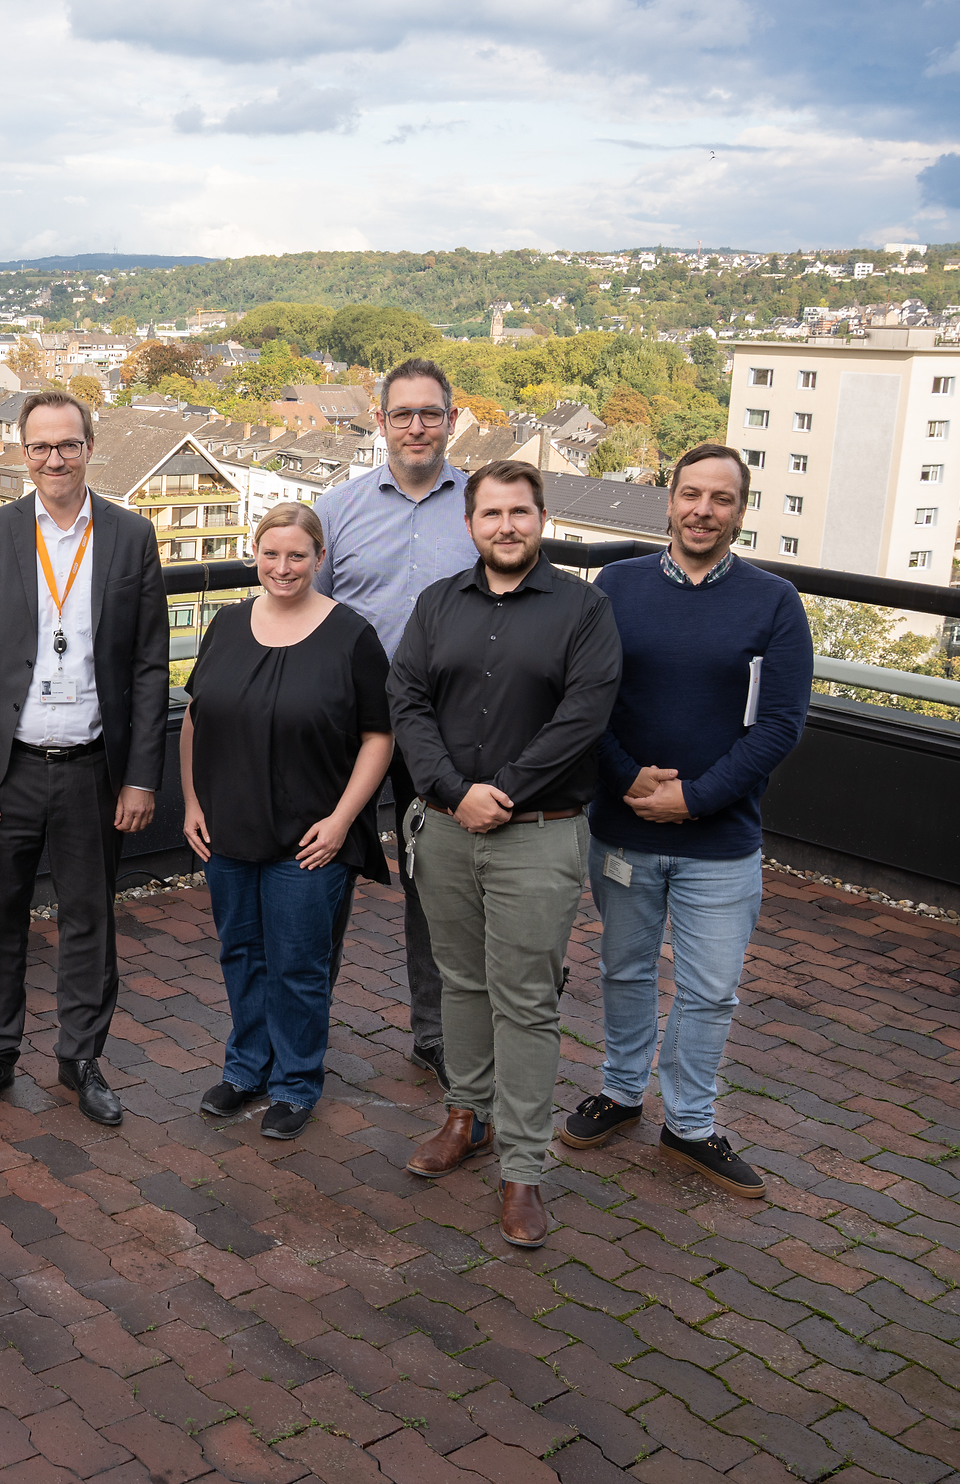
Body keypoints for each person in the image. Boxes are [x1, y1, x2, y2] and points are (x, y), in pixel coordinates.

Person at [559, 442, 811, 1199]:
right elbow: (585, 700)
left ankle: (691, 1123)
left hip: (721, 841)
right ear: (668, 500)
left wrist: (693, 798)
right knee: (624, 969)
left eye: (721, 498)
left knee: (710, 989)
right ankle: (622, 1090)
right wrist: (630, 776)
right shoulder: (615, 587)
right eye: (690, 494)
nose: (703, 509)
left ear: (740, 509)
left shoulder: (774, 603)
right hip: (624, 826)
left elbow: (779, 727)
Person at [389, 459, 620, 1251]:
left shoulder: (585, 609)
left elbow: (583, 716)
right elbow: (407, 701)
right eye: (491, 513)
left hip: (538, 831)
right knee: (460, 980)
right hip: (448, 828)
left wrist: (502, 792)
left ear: (542, 518)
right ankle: (467, 1115)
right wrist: (455, 792)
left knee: (525, 999)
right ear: (470, 523)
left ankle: (522, 1168)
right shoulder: (434, 604)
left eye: (520, 511)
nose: (506, 526)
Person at [0, 391, 165, 1126]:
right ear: (23, 452)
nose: (54, 459)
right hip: (9, 769)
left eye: (67, 444)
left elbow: (149, 667)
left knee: (89, 918)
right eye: (40, 446)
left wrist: (139, 774)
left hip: (95, 767)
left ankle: (80, 1057)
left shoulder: (132, 537)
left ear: (90, 446)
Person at [180, 503, 394, 1140]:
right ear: (255, 553)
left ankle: (296, 1083)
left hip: (311, 837)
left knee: (299, 965)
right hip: (228, 825)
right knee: (241, 954)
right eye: (271, 554)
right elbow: (195, 718)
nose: (282, 567)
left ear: (320, 559)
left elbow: (378, 737)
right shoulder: (225, 623)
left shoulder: (352, 635)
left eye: (297, 555)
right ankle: (246, 1070)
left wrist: (342, 822)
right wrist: (192, 801)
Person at [314, 357, 479, 1088]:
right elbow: (303, 614)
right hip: (344, 728)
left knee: (435, 885)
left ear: (451, 419)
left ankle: (436, 1034)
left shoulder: (483, 507)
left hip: (440, 730)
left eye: (431, 412)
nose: (417, 425)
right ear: (379, 420)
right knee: (319, 876)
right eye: (403, 412)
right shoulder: (337, 510)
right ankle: (301, 1033)